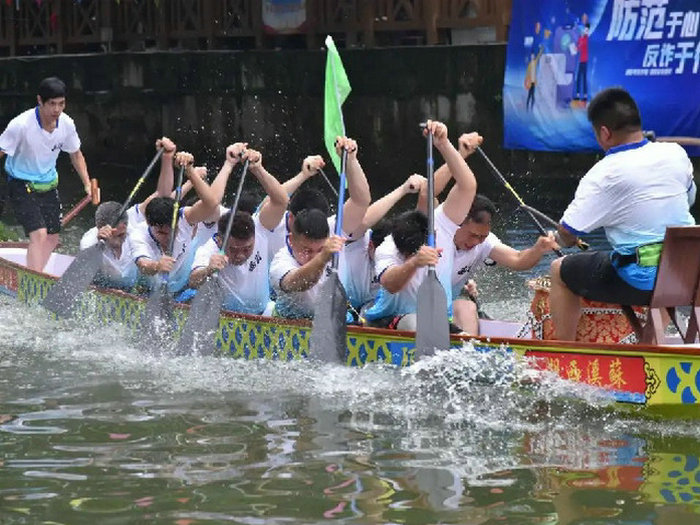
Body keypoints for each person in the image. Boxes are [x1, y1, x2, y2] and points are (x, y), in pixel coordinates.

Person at [550, 87, 696, 341]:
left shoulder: (604, 173)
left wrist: (566, 240)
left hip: (641, 281)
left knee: (559, 269)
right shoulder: (676, 153)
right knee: (660, 262)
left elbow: (567, 232)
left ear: (604, 133)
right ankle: (650, 343)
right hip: (690, 275)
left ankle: (563, 354)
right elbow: (689, 198)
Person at [362, 120, 476, 331]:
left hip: (437, 319)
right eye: (407, 254)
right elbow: (390, 284)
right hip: (390, 319)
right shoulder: (387, 248)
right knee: (416, 325)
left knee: (466, 332)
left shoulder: (440, 225)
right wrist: (415, 262)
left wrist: (444, 145)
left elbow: (467, 186)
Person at [0, 77, 91, 272]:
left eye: (61, 104)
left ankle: (35, 274)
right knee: (39, 233)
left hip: (48, 183)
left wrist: (86, 183)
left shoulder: (67, 124)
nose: (57, 110)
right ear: (40, 101)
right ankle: (33, 281)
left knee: (53, 237)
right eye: (52, 104)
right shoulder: (20, 125)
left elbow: (76, 155)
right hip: (20, 183)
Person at [188, 148, 288, 315]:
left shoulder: (260, 228)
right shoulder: (209, 250)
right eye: (233, 249)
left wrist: (257, 169)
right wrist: (208, 270)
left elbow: (281, 200)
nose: (240, 255)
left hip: (264, 312)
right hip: (225, 317)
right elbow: (193, 280)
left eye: (247, 249)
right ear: (220, 240)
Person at [130, 151, 222, 295]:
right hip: (148, 290)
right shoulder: (138, 234)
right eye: (161, 233)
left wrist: (190, 171)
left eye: (173, 230)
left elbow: (211, 204)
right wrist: (156, 265)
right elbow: (143, 265)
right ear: (149, 223)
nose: (168, 238)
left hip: (184, 287)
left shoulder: (183, 217)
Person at [344, 173, 426, 317]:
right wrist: (403, 189)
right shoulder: (358, 241)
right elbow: (365, 219)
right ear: (370, 245)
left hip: (369, 308)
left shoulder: (399, 251)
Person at [269, 207, 347, 319]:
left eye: (320, 249)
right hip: (289, 324)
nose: (313, 257)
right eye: (307, 250)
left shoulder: (333, 246)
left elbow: (360, 202)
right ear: (291, 240)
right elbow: (300, 283)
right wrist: (322, 257)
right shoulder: (280, 262)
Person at [78, 201, 138, 291]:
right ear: (100, 228)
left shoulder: (135, 233)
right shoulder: (89, 242)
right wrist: (98, 245)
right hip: (100, 286)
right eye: (116, 236)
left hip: (132, 287)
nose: (120, 241)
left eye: (122, 235)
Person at [575, 24, 590, 101]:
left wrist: (577, 47)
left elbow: (581, 45)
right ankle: (577, 95)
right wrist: (574, 49)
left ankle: (585, 96)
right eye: (585, 30)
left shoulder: (586, 38)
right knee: (578, 78)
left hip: (585, 61)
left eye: (587, 30)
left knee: (584, 78)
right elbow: (577, 47)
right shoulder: (580, 38)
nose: (585, 31)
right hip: (580, 61)